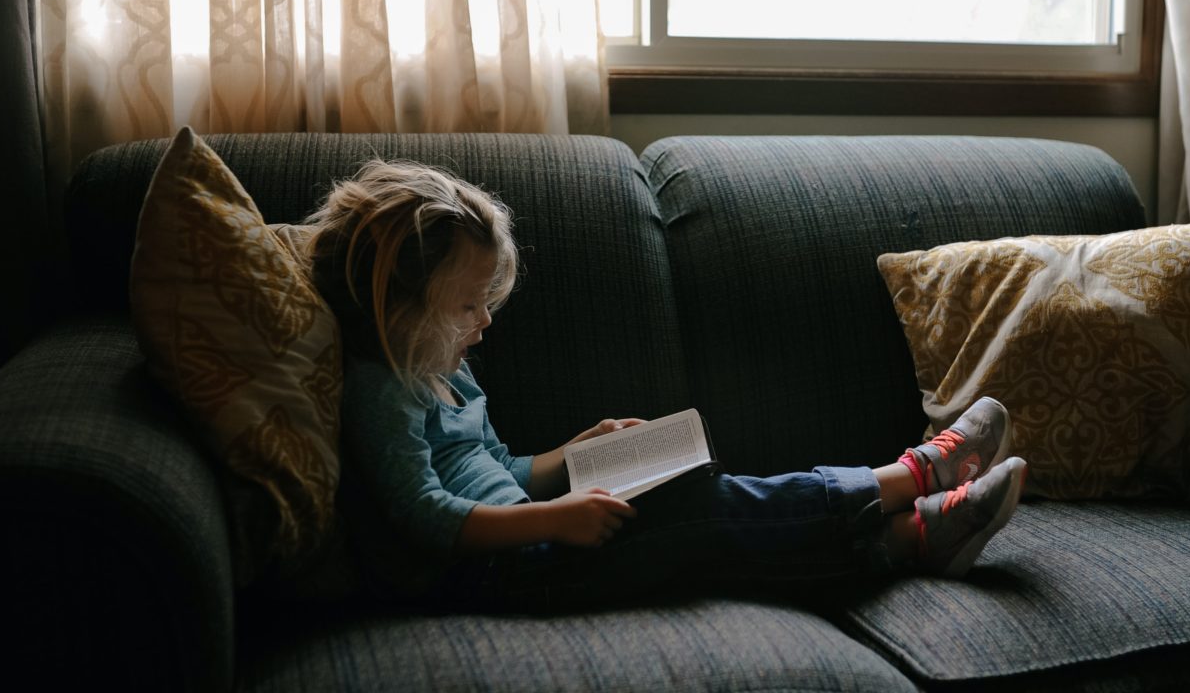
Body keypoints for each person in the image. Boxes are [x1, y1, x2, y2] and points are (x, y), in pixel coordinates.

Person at [307, 159, 1027, 608]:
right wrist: (556, 518)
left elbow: (501, 472)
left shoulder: (445, 370)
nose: (485, 322)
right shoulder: (381, 390)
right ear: (398, 305)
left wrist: (572, 453)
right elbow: (426, 515)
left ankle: (912, 536)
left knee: (700, 506)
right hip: (501, 574)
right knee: (699, 513)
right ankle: (913, 478)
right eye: (466, 305)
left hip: (529, 542)